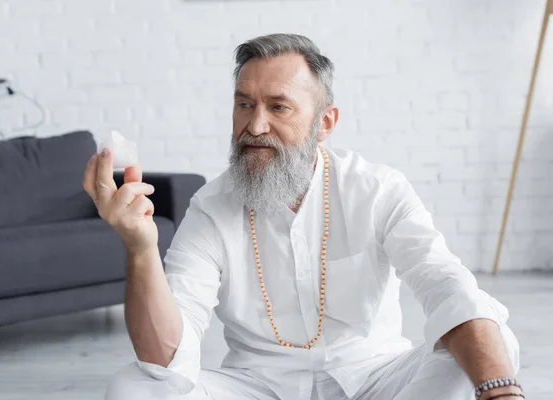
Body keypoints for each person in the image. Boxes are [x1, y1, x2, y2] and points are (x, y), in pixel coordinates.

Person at [84, 33, 522, 400]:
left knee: (490, 347)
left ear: (325, 122)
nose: (255, 126)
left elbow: (447, 285)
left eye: (279, 107)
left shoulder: (377, 189)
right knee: (135, 387)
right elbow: (167, 361)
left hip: (377, 383)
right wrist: (140, 248)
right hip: (258, 387)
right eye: (243, 105)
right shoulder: (211, 206)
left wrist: (500, 392)